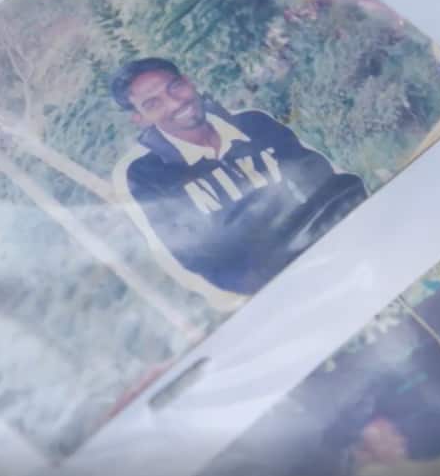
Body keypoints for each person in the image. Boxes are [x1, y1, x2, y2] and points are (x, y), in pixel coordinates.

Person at [109, 57, 367, 301]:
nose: (175, 103)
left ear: (189, 81)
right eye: (153, 104)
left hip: (346, 244)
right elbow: (199, 260)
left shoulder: (254, 124)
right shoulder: (148, 177)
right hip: (287, 291)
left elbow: (326, 181)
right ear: (140, 119)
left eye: (175, 87)